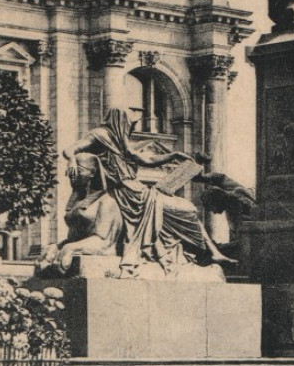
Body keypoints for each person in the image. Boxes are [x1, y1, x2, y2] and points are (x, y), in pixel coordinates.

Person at [61, 107, 232, 274]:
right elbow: (69, 149)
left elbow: (146, 159)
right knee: (186, 209)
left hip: (136, 190)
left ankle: (214, 252)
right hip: (127, 191)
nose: (131, 128)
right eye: (130, 124)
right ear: (120, 122)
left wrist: (172, 156)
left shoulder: (121, 142)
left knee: (186, 209)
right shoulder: (100, 134)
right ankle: (211, 252)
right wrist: (72, 161)